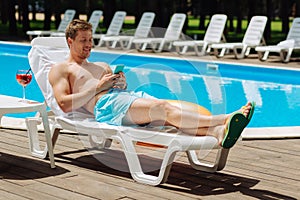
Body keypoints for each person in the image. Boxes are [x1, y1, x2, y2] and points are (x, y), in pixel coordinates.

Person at [48, 19, 254, 149]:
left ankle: (216, 133)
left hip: (126, 99)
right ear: (70, 41)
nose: (88, 45)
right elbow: (64, 104)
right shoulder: (61, 69)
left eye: (91, 40)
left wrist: (119, 83)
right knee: (164, 109)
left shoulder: (101, 65)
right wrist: (99, 87)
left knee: (171, 113)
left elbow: (120, 90)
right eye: (83, 40)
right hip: (106, 107)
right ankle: (225, 118)